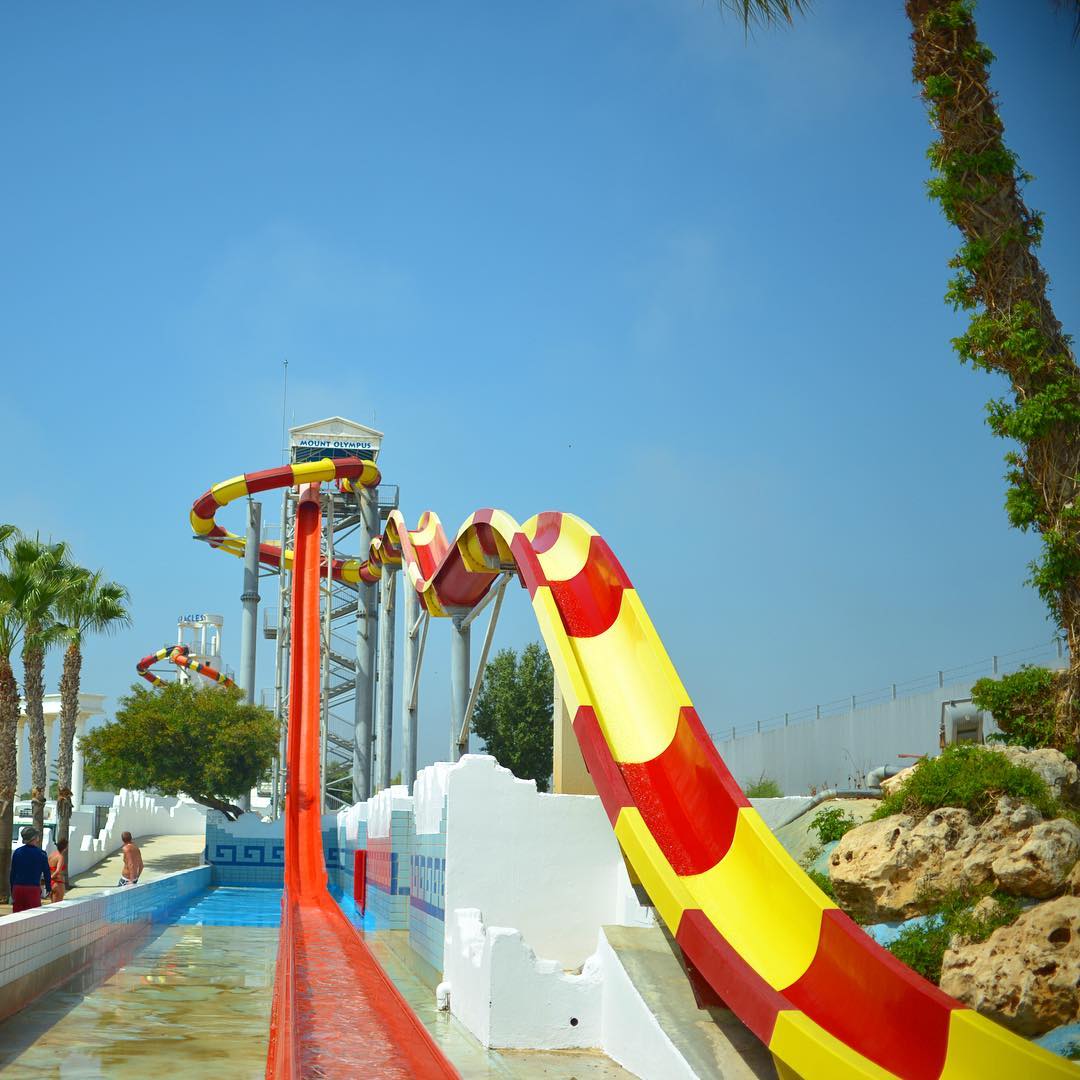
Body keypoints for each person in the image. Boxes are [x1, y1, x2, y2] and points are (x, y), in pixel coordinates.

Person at [9, 826, 51, 913]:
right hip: (33, 888)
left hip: (18, 888)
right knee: (33, 916)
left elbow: (13, 873)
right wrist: (48, 888)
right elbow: (46, 872)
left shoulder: (17, 852)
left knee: (17, 916)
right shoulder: (41, 854)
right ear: (35, 838)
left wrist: (12, 889)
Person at [49, 838, 68, 903]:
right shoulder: (60, 857)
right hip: (58, 882)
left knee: (52, 905)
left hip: (52, 883)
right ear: (65, 847)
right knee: (58, 907)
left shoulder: (51, 855)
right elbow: (58, 871)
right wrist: (51, 877)